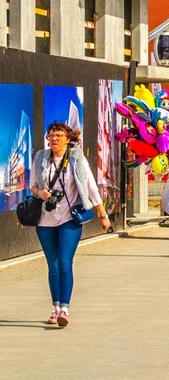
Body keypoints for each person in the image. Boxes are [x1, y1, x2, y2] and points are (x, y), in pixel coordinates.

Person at [30, 122, 110, 327]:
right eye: (51, 135)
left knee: (65, 262)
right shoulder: (40, 158)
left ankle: (65, 308)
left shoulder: (76, 158)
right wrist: (40, 193)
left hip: (69, 218)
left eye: (58, 135)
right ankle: (55, 308)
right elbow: (32, 185)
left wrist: (102, 214)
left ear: (67, 138)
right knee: (53, 265)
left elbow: (90, 186)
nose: (54, 138)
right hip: (45, 219)